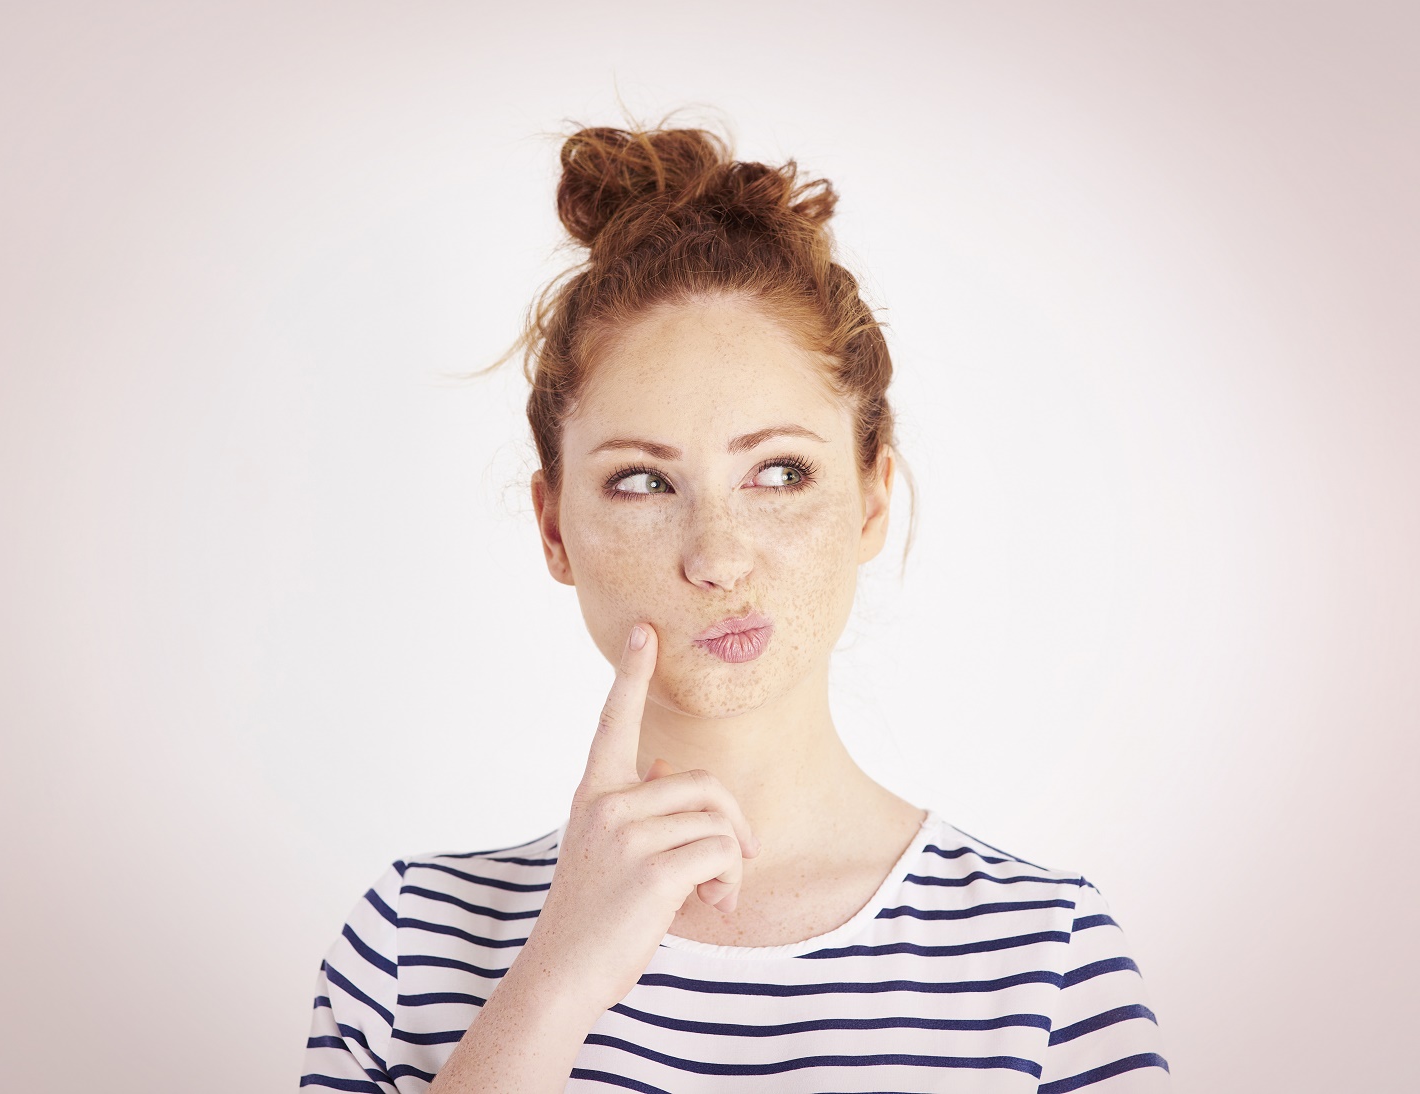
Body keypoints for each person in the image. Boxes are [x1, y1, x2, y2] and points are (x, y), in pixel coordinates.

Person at [299, 118, 1171, 1093]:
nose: (716, 555)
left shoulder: (1041, 957)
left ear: (873, 494)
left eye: (781, 470)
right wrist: (553, 983)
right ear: (554, 527)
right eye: (640, 481)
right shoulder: (412, 938)